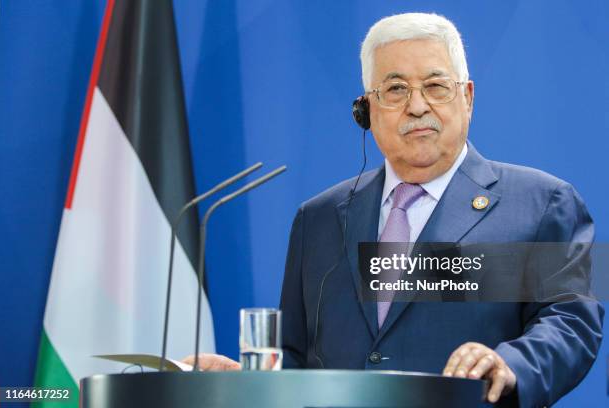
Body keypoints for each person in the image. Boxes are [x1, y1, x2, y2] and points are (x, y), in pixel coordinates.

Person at [185, 13, 603, 407]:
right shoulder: (318, 218)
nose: (417, 106)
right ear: (365, 109)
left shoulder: (542, 202)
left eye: (436, 86)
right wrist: (252, 381)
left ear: (468, 98)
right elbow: (297, 356)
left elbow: (571, 322)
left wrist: (512, 364)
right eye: (396, 89)